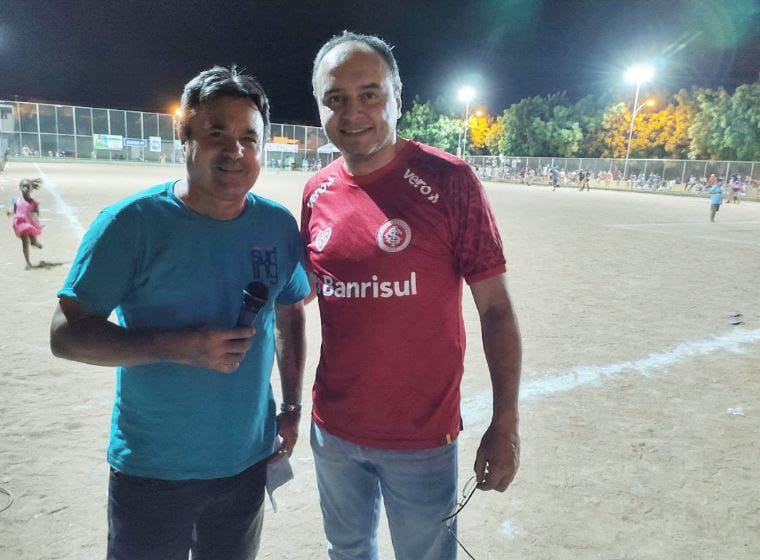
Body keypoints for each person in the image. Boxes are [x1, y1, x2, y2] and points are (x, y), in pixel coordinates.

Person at [49, 66, 310, 560]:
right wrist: (177, 346)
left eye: (249, 139)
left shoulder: (277, 225)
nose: (235, 152)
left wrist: (292, 407)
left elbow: (291, 308)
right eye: (217, 134)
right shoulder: (131, 223)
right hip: (153, 470)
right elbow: (65, 334)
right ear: (184, 135)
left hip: (246, 463)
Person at [302, 32, 521, 560]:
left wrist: (506, 423)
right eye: (336, 99)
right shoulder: (316, 191)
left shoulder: (450, 180)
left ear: (397, 98)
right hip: (334, 430)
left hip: (422, 439)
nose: (353, 112)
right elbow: (305, 288)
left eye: (369, 94)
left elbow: (495, 309)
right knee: (345, 551)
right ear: (321, 107)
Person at [8, 178, 44, 269]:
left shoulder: (33, 202)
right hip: (20, 224)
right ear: (20, 188)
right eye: (23, 186)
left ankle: (35, 243)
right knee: (24, 242)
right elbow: (15, 210)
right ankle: (28, 262)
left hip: (30, 223)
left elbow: (36, 212)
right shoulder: (16, 200)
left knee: (32, 241)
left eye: (27, 186)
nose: (25, 188)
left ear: (31, 189)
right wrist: (10, 212)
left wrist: (34, 215)